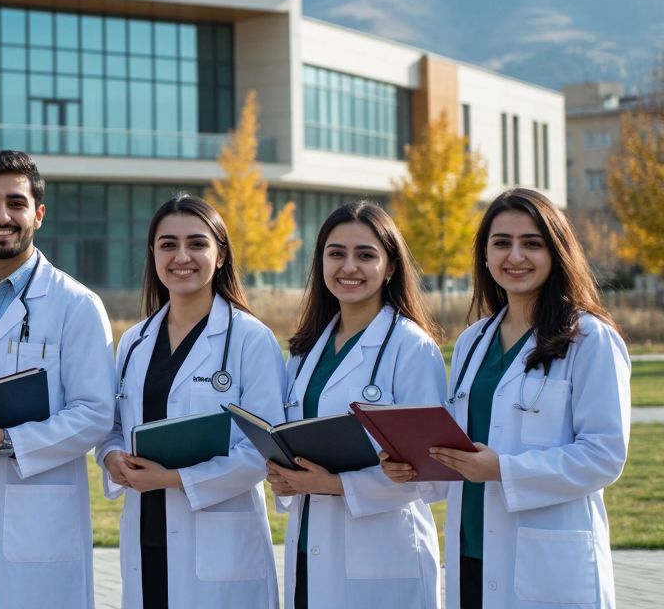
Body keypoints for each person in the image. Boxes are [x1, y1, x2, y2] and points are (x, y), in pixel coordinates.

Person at [389, 188, 629, 609]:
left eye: (531, 244)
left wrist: (504, 470)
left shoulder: (590, 338)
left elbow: (604, 455)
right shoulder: (472, 341)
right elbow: (460, 443)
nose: (514, 256)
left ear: (556, 253)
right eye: (501, 243)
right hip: (472, 548)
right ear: (485, 256)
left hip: (546, 557)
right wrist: (413, 466)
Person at [0, 150, 116, 609]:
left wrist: (6, 441)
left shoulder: (77, 304)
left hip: (40, 522)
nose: (2, 216)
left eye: (15, 203)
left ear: (38, 213)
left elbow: (95, 414)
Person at [98, 194, 283, 608]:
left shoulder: (250, 339)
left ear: (220, 255)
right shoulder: (134, 341)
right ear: (153, 254)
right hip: (147, 531)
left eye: (197, 243)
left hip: (220, 543)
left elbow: (264, 449)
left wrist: (172, 479)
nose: (182, 256)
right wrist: (112, 459)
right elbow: (112, 427)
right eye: (168, 244)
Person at [269, 201, 446, 609]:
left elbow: (431, 472)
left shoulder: (411, 347)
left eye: (365, 255)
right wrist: (283, 474)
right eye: (336, 254)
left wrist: (333, 485)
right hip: (309, 544)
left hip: (383, 554)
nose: (349, 267)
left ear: (390, 266)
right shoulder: (306, 348)